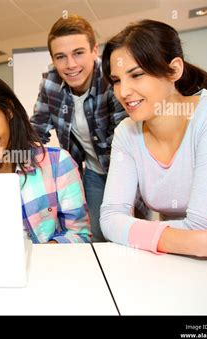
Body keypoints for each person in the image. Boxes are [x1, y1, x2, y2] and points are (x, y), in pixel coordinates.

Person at [100, 19, 207, 262]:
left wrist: (136, 232)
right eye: (116, 80)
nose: (123, 92)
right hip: (176, 259)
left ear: (174, 70)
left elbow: (204, 226)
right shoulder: (126, 132)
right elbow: (109, 218)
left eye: (136, 75)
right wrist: (198, 242)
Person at [0, 68, 91, 243]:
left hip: (47, 267)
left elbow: (80, 235)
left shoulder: (57, 164)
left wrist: (40, 254)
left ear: (9, 110)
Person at [30, 15, 131, 242]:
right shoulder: (51, 83)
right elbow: (37, 129)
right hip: (93, 171)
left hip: (126, 167)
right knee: (96, 234)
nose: (71, 65)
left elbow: (127, 135)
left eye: (78, 53)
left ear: (95, 50)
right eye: (61, 57)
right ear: (53, 60)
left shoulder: (111, 79)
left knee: (127, 235)